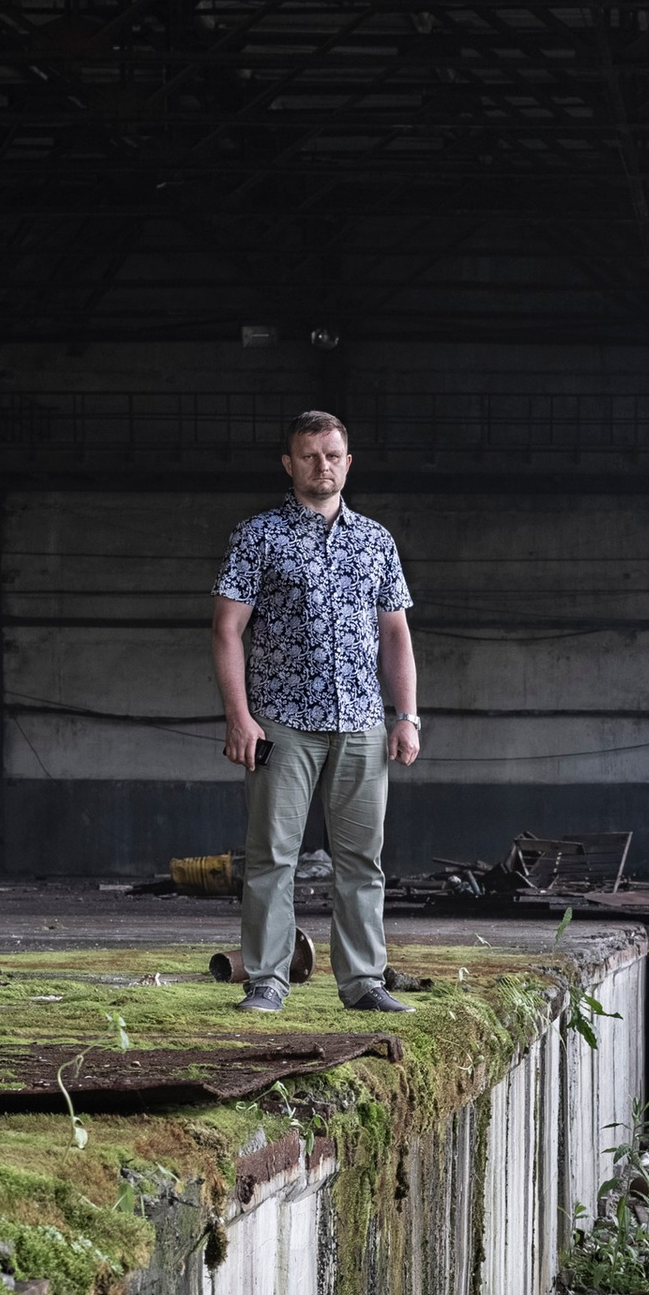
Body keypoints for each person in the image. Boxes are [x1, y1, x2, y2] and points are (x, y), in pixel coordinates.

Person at [211, 410, 420, 1013]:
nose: (321, 466)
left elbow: (396, 637)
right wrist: (239, 716)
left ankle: (362, 983)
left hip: (361, 721)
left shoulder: (375, 540)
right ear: (289, 463)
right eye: (309, 455)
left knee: (362, 859)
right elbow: (227, 631)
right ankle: (268, 981)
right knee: (272, 856)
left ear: (347, 463)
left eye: (332, 455)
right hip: (280, 720)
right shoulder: (258, 536)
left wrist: (406, 715)